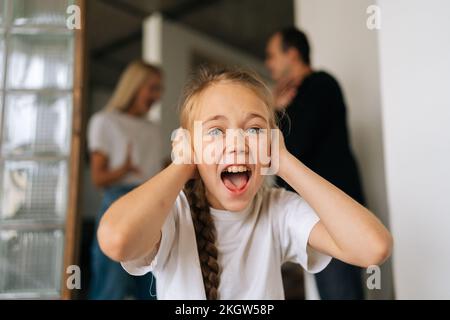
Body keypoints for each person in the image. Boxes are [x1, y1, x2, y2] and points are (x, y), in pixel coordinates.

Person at [95, 67, 392, 300]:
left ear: (272, 143)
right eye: (215, 131)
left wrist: (286, 163)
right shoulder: (176, 214)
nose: (236, 145)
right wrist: (183, 164)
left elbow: (373, 247)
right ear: (187, 145)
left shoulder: (278, 210)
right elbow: (116, 239)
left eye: (253, 129)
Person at [265, 27, 368, 299]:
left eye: (272, 56)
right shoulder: (295, 99)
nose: (268, 64)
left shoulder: (321, 85)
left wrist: (276, 112)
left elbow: (291, 149)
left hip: (335, 212)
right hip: (315, 214)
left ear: (293, 54)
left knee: (340, 293)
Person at [87, 60, 163, 300]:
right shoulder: (104, 122)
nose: (157, 95)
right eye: (152, 87)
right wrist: (124, 169)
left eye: (160, 89)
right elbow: (98, 178)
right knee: (111, 289)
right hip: (119, 204)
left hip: (152, 207)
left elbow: (156, 173)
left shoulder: (154, 129)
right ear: (134, 86)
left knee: (151, 289)